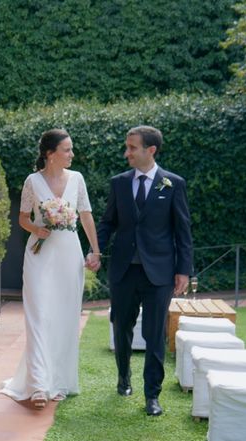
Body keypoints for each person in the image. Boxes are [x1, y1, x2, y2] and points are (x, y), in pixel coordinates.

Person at [86, 125, 193, 416]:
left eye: (132, 147)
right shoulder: (119, 183)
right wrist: (96, 250)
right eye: (127, 147)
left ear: (151, 150)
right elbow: (108, 222)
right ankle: (124, 377)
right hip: (123, 271)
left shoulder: (173, 184)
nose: (127, 153)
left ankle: (152, 396)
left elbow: (183, 231)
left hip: (159, 272)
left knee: (154, 332)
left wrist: (184, 270)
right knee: (121, 327)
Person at [0, 129, 100, 410]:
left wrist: (96, 250)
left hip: (69, 253)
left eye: (71, 149)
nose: (72, 154)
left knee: (65, 316)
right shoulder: (32, 181)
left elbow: (86, 215)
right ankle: (38, 384)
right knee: (39, 314)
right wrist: (37, 229)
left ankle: (58, 379)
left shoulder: (77, 179)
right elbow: (23, 218)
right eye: (66, 150)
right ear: (50, 154)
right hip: (40, 255)